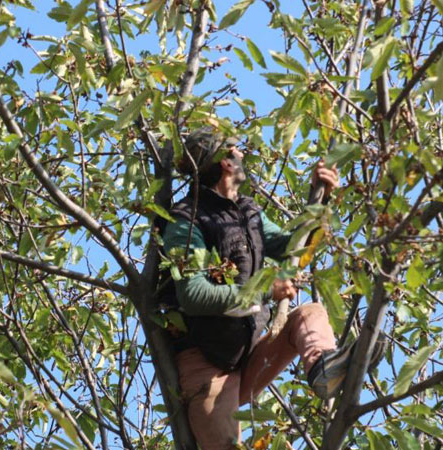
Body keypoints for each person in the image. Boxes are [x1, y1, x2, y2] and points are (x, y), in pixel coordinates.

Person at [160, 129, 383, 449]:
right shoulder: (186, 219)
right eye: (237, 150)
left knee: (311, 313)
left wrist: (323, 200)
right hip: (207, 367)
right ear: (225, 162)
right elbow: (192, 295)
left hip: (249, 358)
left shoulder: (248, 212)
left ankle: (325, 367)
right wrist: (263, 291)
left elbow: (296, 249)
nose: (243, 156)